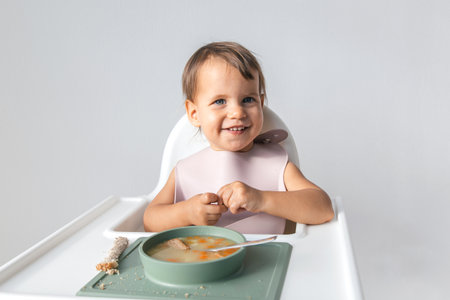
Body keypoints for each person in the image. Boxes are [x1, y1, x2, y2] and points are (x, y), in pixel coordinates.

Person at [143, 42, 334, 234]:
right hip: (203, 261)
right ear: (194, 114)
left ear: (260, 103)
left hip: (271, 260)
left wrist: (261, 199)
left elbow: (323, 208)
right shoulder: (185, 171)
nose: (236, 112)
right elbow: (150, 221)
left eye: (248, 100)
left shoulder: (276, 164)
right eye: (219, 101)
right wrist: (186, 213)